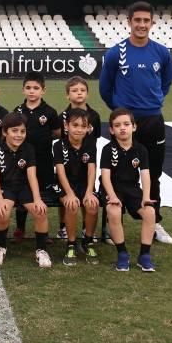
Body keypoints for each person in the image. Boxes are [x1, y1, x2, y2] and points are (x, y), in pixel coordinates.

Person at [98, 0, 172, 246]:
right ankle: (112, 224)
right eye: (137, 20)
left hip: (153, 120)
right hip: (124, 123)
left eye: (146, 20)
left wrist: (154, 102)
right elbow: (104, 88)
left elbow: (166, 82)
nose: (141, 24)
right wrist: (121, 114)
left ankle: (154, 222)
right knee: (118, 174)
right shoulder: (115, 52)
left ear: (152, 23)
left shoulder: (162, 52)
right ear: (129, 22)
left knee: (153, 173)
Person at [0, 112, 51, 268]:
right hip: (5, 188)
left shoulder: (28, 149)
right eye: (14, 131)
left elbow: (32, 176)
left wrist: (37, 199)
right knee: (3, 211)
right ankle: (1, 247)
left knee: (41, 211)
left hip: (23, 188)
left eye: (22, 131)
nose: (19, 135)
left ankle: (41, 250)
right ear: (5, 132)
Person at [99, 108, 157, 272]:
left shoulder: (141, 150)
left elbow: (145, 175)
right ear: (111, 129)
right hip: (112, 188)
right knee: (115, 211)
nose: (122, 128)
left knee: (150, 212)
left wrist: (145, 197)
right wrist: (112, 196)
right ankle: (122, 254)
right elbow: (105, 176)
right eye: (117, 125)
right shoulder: (108, 149)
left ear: (134, 127)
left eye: (126, 124)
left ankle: (144, 256)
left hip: (132, 188)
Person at [13, 72, 62, 243]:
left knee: (41, 194)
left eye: (36, 88)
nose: (32, 91)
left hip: (43, 162)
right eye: (28, 88)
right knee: (23, 193)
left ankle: (43, 231)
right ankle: (20, 228)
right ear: (23, 90)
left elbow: (57, 132)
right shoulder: (18, 111)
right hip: (22, 161)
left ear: (43, 91)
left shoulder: (49, 112)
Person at [52, 108, 101, 266]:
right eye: (75, 125)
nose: (79, 129)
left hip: (84, 184)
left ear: (88, 128)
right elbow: (60, 172)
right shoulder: (59, 145)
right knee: (72, 205)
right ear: (67, 126)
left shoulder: (90, 143)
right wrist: (69, 194)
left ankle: (88, 241)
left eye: (83, 126)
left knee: (92, 205)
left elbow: (92, 169)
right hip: (64, 184)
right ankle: (71, 244)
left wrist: (89, 192)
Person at [58, 76, 102, 241]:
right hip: (68, 161)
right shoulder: (63, 116)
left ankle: (86, 227)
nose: (79, 94)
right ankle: (63, 226)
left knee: (87, 194)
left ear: (88, 94)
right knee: (66, 193)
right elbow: (62, 139)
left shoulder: (94, 116)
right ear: (67, 95)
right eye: (75, 91)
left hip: (87, 161)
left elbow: (95, 138)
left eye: (82, 90)